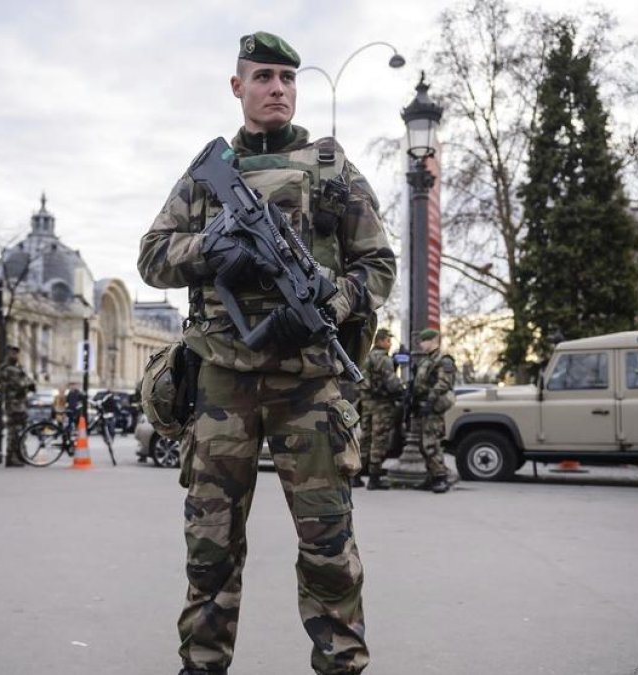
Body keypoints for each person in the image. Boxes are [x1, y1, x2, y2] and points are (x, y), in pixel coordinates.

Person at [138, 31, 395, 675]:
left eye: (286, 77)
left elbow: (379, 266)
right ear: (238, 87)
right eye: (263, 77)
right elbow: (151, 257)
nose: (277, 88)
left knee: (328, 542)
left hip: (308, 384)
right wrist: (211, 248)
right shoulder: (208, 176)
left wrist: (329, 303)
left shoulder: (333, 170)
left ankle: (341, 664)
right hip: (222, 380)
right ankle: (201, 663)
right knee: (210, 547)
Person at [408, 328, 455, 494]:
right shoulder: (427, 360)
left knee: (431, 443)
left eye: (423, 341)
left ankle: (441, 478)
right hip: (424, 406)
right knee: (423, 444)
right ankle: (432, 476)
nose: (421, 344)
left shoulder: (443, 360)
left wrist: (429, 401)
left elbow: (443, 384)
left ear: (432, 341)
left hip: (433, 407)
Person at [358, 329, 404, 491]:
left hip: (367, 403)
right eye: (388, 341)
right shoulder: (384, 359)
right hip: (381, 404)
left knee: (365, 438)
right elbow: (391, 383)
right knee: (379, 439)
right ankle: (374, 477)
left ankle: (356, 475)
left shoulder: (367, 357)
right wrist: (402, 392)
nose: (390, 344)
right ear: (381, 341)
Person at [0, 345, 34, 467]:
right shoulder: (10, 370)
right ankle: (13, 457)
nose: (16, 356)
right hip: (15, 404)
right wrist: (28, 382)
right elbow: (23, 384)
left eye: (17, 353)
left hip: (16, 403)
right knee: (15, 431)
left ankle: (19, 455)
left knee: (18, 431)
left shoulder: (10, 369)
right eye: (13, 354)